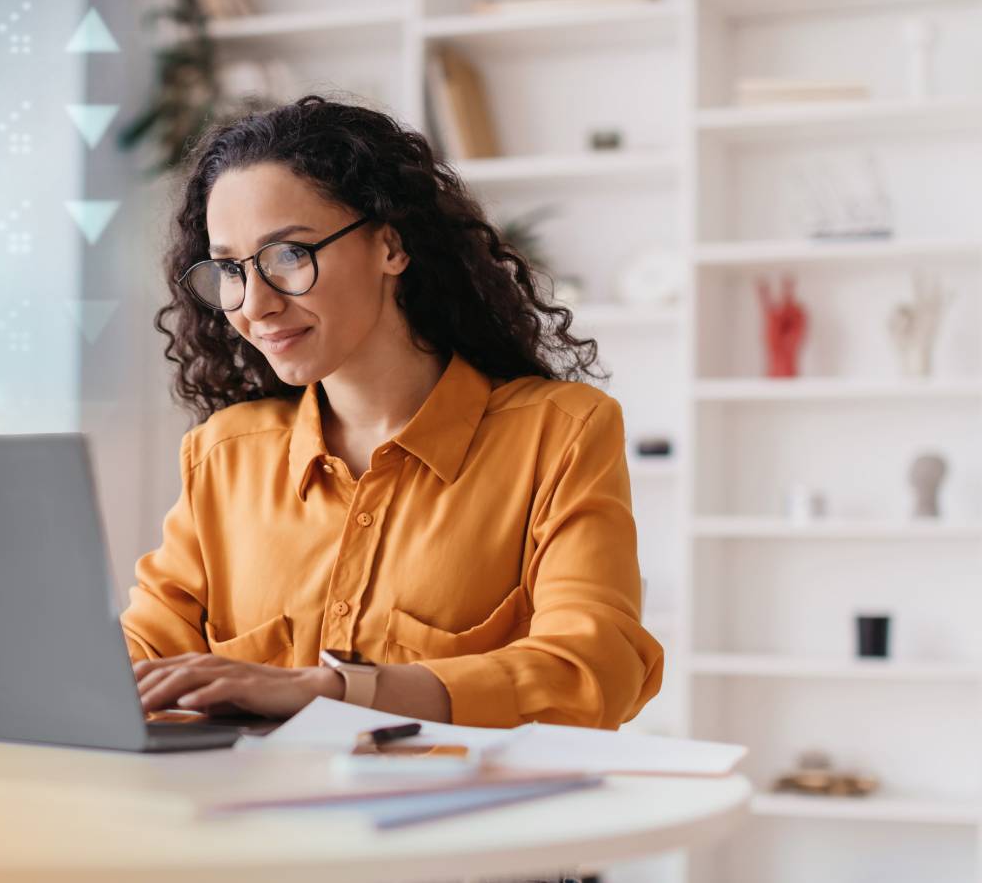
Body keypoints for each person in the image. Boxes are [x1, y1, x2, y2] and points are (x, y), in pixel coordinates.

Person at [121, 94, 664, 731]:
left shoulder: (559, 433)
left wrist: (332, 690)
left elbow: (592, 669)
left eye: (289, 254)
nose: (254, 304)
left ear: (391, 246)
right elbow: (142, 661)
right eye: (229, 270)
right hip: (250, 795)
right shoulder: (224, 454)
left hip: (452, 797)